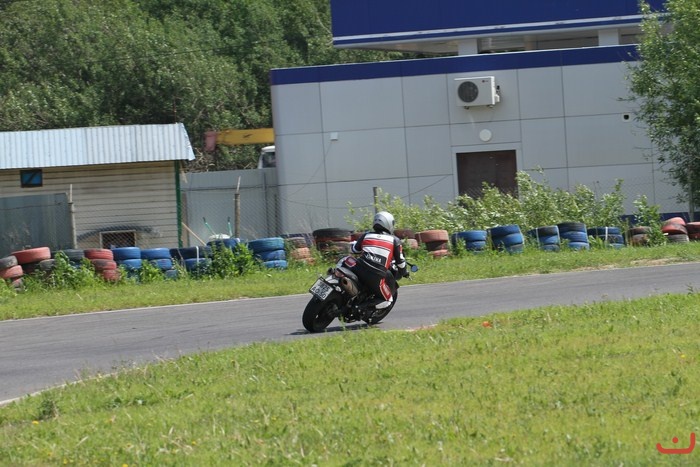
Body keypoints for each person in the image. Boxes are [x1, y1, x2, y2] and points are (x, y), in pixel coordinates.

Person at [349, 211, 408, 311]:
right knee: (387, 300)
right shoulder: (394, 240)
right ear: (389, 223)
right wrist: (404, 272)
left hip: (358, 268)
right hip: (376, 275)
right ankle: (359, 307)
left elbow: (354, 250)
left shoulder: (366, 235)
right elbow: (401, 262)